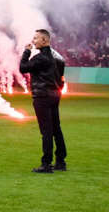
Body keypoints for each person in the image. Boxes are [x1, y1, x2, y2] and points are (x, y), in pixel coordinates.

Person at [20, 29, 67, 173]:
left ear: (44, 40)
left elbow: (23, 68)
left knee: (46, 131)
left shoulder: (40, 58)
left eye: (36, 38)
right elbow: (61, 76)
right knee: (56, 129)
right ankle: (60, 161)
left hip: (42, 96)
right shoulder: (56, 57)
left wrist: (26, 52)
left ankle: (46, 164)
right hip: (54, 94)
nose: (33, 41)